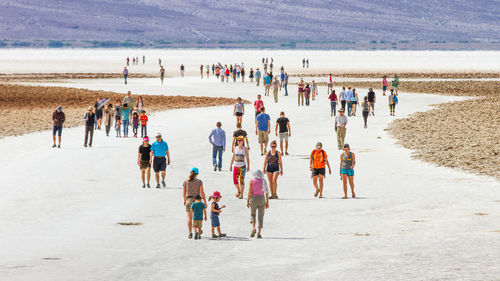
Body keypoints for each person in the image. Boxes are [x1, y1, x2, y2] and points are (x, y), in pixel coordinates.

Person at [183, 168, 207, 239]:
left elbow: (184, 193)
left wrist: (185, 200)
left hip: (189, 200)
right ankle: (198, 230)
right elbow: (202, 192)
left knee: (189, 218)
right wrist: (204, 201)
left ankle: (190, 233)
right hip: (198, 201)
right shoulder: (199, 182)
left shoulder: (185, 182)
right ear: (197, 174)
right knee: (198, 216)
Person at [247, 170, 269, 238]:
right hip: (261, 198)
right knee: (260, 216)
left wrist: (248, 201)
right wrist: (267, 202)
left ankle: (253, 228)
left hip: (253, 198)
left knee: (253, 214)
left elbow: (250, 192)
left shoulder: (251, 181)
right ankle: (259, 234)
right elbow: (267, 192)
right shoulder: (263, 181)